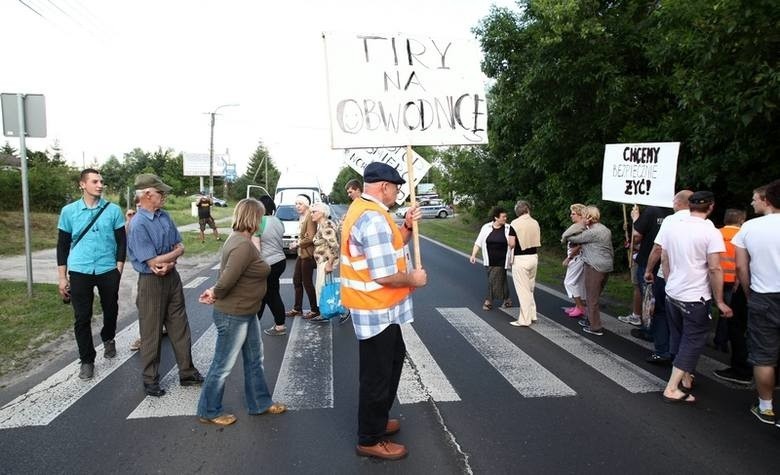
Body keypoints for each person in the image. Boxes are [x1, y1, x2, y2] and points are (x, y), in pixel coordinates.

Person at [340, 162, 426, 460]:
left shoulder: (366, 209)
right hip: (376, 308)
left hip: (380, 309)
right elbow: (383, 274)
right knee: (377, 376)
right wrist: (413, 278)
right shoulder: (373, 218)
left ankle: (376, 421)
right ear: (384, 187)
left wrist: (407, 227)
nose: (399, 191)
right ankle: (370, 438)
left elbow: (389, 248)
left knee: (390, 364)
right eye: (397, 187)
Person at [196, 198, 287, 426]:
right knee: (222, 365)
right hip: (233, 314)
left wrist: (214, 291)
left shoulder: (241, 241)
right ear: (253, 218)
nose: (263, 221)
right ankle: (208, 410)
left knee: (255, 360)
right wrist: (215, 292)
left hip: (246, 311)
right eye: (261, 216)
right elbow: (227, 278)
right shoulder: (242, 245)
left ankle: (260, 403)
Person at [127, 174, 203, 397]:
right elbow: (152, 262)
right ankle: (150, 379)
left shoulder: (164, 216)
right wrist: (172, 255)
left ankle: (187, 372)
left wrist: (171, 258)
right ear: (147, 194)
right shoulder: (138, 223)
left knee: (180, 325)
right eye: (161, 193)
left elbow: (179, 245)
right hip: (151, 282)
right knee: (151, 331)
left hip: (171, 277)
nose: (164, 196)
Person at [657, 191, 732, 403]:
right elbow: (715, 268)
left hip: (673, 291)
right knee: (693, 340)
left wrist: (671, 281)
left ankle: (686, 378)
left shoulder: (672, 227)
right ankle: (671, 388)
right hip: (695, 295)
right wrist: (719, 300)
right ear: (711, 207)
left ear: (689, 206)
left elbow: (664, 257)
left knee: (678, 335)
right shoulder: (711, 232)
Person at [56, 168, 126, 380]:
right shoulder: (69, 211)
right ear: (82, 184)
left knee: (111, 308)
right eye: (95, 181)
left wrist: (118, 269)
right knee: (82, 317)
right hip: (80, 269)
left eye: (101, 181)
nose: (100, 185)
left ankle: (108, 337)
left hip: (107, 269)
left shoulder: (113, 210)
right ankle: (87, 360)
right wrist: (62, 277)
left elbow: (122, 241)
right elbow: (62, 246)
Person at [733, 179, 780, 424]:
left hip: (764, 295)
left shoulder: (750, 227)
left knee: (764, 355)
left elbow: (741, 266)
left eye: (755, 198)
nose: (752, 202)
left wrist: (749, 292)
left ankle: (766, 406)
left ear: (767, 200)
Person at [643, 190, 694, 365]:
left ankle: (663, 351)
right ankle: (681, 354)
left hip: (667, 276)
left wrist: (649, 269)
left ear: (678, 203)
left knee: (662, 313)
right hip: (693, 280)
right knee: (686, 319)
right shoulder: (704, 222)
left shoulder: (671, 220)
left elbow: (659, 249)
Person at [712, 209, 752, 384]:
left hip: (717, 279)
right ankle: (723, 341)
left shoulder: (717, 233)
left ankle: (719, 340)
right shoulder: (744, 235)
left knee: (724, 313)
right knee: (730, 316)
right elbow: (744, 263)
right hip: (735, 281)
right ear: (741, 220)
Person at [618, 205, 672, 327]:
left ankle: (648, 328)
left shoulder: (651, 211)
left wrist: (635, 219)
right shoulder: (674, 213)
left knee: (647, 294)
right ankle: (659, 327)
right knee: (661, 296)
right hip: (668, 262)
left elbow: (637, 236)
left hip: (648, 259)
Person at [567, 206, 614, 336]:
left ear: (589, 217)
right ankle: (590, 319)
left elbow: (571, 238)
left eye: (585, 215)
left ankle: (595, 327)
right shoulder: (605, 229)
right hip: (606, 266)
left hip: (594, 266)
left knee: (591, 298)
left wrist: (580, 225)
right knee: (595, 295)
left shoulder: (591, 232)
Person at [252, 195, 288, 337]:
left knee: (268, 294)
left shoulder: (259, 222)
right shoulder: (278, 220)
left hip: (267, 263)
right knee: (269, 293)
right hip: (281, 261)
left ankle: (279, 325)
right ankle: (258, 323)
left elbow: (256, 248)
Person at [469, 207, 514, 311]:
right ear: (496, 217)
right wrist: (473, 255)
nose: (505, 218)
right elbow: (478, 242)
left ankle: (488, 301)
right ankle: (507, 300)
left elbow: (513, 244)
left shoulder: (508, 228)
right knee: (501, 280)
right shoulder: (486, 227)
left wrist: (513, 256)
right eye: (503, 217)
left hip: (503, 259)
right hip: (489, 259)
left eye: (506, 216)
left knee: (492, 280)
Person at [285, 194, 320, 319]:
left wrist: (298, 243)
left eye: (300, 204)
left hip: (307, 254)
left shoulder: (310, 216)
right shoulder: (302, 217)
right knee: (296, 280)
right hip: (301, 254)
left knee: (307, 283)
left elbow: (310, 237)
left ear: (306, 204)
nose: (297, 206)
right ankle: (297, 308)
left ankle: (315, 309)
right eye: (296, 204)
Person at [508, 200, 541, 327]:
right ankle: (532, 314)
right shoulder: (535, 222)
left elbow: (511, 243)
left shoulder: (515, 224)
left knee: (523, 290)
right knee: (530, 288)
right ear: (527, 209)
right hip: (533, 257)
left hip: (520, 259)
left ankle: (524, 319)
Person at [310, 202, 340, 323]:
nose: (312, 214)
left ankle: (341, 311)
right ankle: (325, 312)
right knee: (322, 287)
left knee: (323, 288)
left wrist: (329, 263)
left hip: (326, 261)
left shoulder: (326, 225)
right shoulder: (321, 224)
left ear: (322, 213)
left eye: (314, 212)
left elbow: (334, 246)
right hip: (322, 260)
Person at [561, 204, 587, 317]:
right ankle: (578, 306)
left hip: (577, 258)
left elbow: (580, 245)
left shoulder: (580, 228)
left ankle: (580, 307)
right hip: (577, 258)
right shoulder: (578, 227)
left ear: (581, 215)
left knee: (569, 282)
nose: (571, 216)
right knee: (578, 283)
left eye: (573, 214)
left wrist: (569, 258)